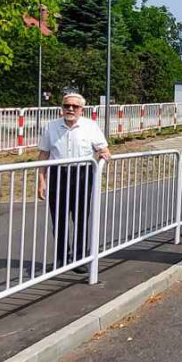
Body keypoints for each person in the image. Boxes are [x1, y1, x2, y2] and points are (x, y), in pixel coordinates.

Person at [37, 93, 110, 269]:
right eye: (66, 106)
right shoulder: (51, 127)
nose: (70, 109)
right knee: (59, 219)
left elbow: (104, 148)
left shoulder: (90, 126)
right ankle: (61, 258)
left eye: (74, 107)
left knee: (80, 218)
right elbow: (44, 154)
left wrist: (104, 154)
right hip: (58, 175)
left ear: (81, 110)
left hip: (82, 174)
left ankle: (79, 258)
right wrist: (41, 181)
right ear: (61, 108)